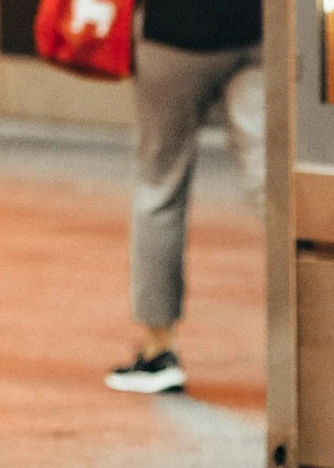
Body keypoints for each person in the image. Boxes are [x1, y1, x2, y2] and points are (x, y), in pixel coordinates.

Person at [106, 0, 263, 393]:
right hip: (261, 33)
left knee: (160, 187)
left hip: (173, 30)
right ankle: (317, 346)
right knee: (276, 190)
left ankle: (158, 351)